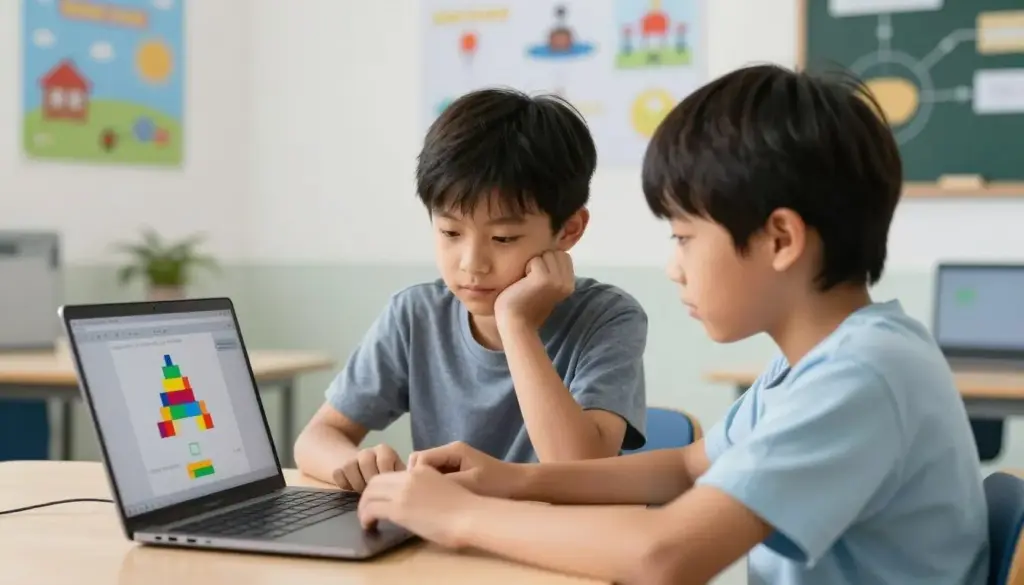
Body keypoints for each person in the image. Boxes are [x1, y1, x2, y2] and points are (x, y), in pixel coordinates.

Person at [354, 65, 990, 585]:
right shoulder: (822, 360)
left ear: (780, 238)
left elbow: (666, 558)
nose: (674, 267)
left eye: (685, 237)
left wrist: (462, 517)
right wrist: (512, 479)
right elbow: (689, 466)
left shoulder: (861, 377)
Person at [293, 88, 649, 492]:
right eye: (450, 232)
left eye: (503, 238)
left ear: (568, 230)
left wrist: (515, 324)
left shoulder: (608, 317)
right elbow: (316, 438)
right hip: (450, 543)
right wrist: (357, 464)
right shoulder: (416, 314)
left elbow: (581, 471)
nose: (471, 263)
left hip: (558, 545)